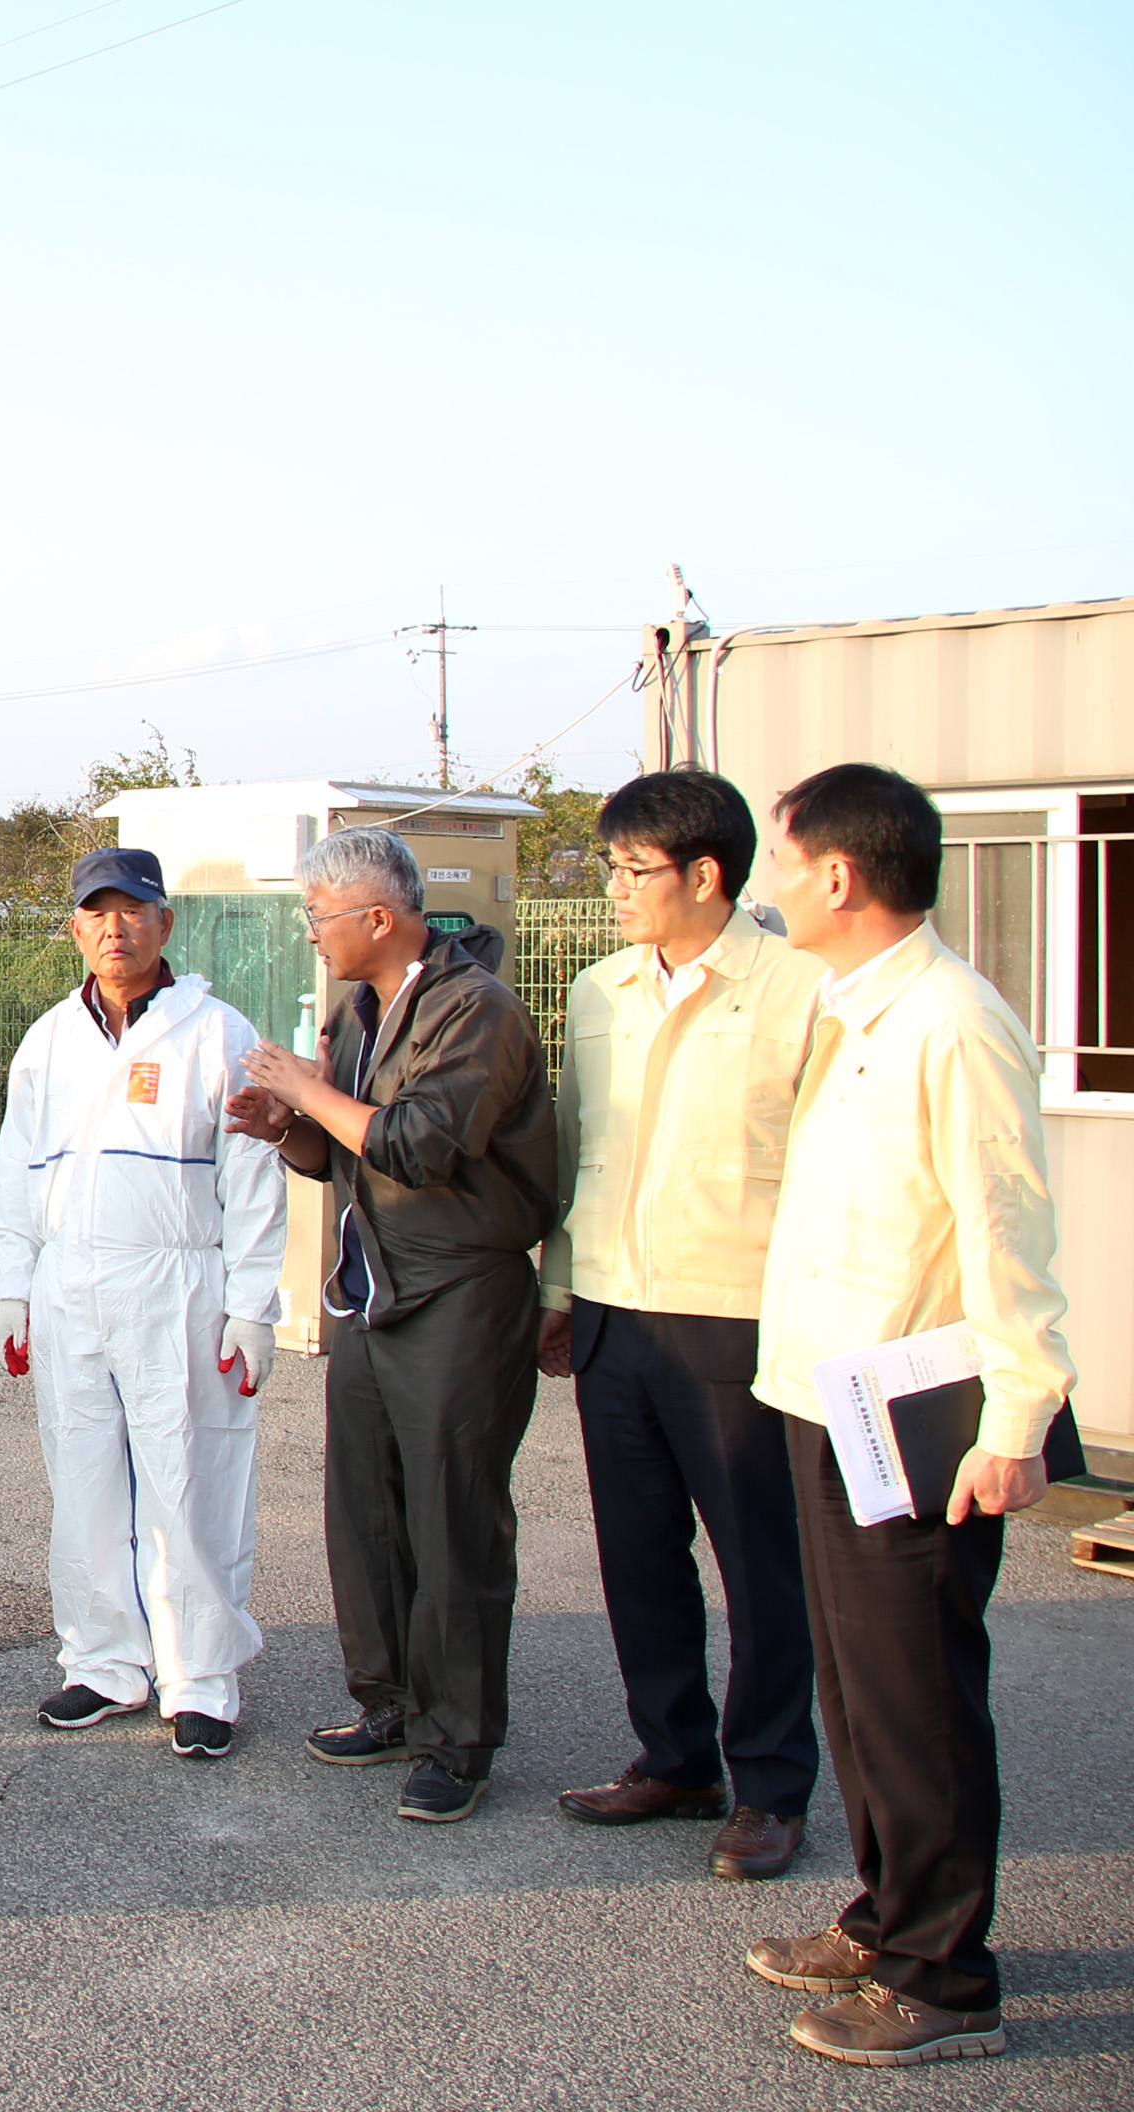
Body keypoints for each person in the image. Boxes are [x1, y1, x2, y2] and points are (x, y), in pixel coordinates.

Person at [738, 765, 1072, 2068]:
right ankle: (887, 1916)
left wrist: (1018, 1419)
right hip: (832, 1396)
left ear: (839, 876)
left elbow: (1008, 1234)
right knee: (860, 1685)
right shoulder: (855, 1007)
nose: (772, 889)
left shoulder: (952, 1022)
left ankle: (945, 1978)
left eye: (782, 863)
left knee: (920, 1695)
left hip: (919, 1410)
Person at [231, 825, 556, 1823]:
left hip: (459, 1288)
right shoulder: (364, 1007)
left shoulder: (477, 1012)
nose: (311, 933)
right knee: (365, 1508)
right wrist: (289, 1125)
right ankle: (388, 1701)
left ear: (378, 917)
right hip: (376, 1287)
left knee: (452, 1519)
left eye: (319, 915)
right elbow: (348, 1154)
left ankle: (459, 1743)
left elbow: (418, 1144)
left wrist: (308, 1090)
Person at [537, 771, 823, 1878]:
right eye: (606, 866)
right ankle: (673, 1756)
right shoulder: (606, 988)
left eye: (629, 868)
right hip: (615, 1310)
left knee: (761, 1566)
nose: (611, 886)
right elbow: (578, 1145)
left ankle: (771, 1786)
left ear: (705, 875)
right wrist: (561, 1294)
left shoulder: (801, 989)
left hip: (737, 1320)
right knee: (638, 1556)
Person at [0, 849, 288, 1758]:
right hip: (69, 1284)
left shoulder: (217, 1033)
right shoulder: (49, 1039)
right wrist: (11, 1288)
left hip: (178, 1284)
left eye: (134, 911)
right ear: (75, 927)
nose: (115, 928)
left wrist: (252, 1306)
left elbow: (253, 1178)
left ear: (165, 922)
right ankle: (105, 1663)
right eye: (97, 913)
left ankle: (200, 1677)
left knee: (189, 1479)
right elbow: (14, 1173)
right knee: (81, 1484)